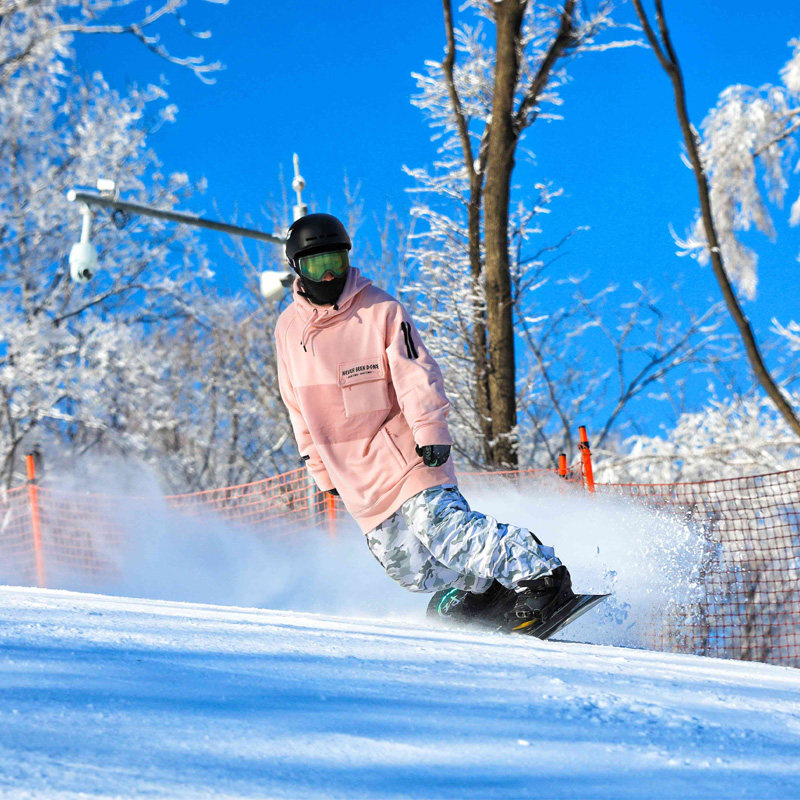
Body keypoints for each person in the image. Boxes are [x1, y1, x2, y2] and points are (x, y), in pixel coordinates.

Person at [274, 213, 575, 633]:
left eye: (336, 262)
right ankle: (486, 590)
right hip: (356, 476)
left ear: (347, 259)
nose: (328, 274)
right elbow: (296, 405)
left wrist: (430, 430)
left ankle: (540, 573)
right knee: (410, 568)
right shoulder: (289, 330)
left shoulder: (380, 309)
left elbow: (417, 373)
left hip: (408, 454)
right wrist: (321, 470)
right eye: (316, 265)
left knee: (444, 529)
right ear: (296, 268)